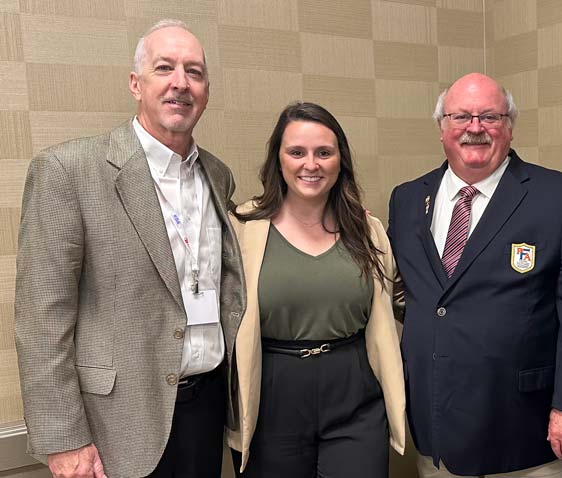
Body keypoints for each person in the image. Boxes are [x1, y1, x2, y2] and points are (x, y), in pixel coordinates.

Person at [14, 19, 245, 478]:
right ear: (136, 84)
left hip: (207, 408)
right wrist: (65, 439)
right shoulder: (69, 171)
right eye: (165, 68)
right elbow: (42, 319)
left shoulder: (217, 177)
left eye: (194, 72)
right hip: (116, 425)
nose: (180, 82)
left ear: (206, 91)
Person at [387, 72, 562, 477]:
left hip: (526, 431)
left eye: (490, 117)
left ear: (510, 126)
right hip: (437, 429)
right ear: (441, 127)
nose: (475, 128)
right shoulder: (409, 199)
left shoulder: (560, 198)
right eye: (461, 117)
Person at [227, 101, 405, 478]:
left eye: (324, 152)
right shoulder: (242, 228)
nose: (311, 164)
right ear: (278, 160)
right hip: (274, 394)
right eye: (297, 152)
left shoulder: (367, 230)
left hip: (355, 393)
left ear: (340, 160)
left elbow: (395, 300)